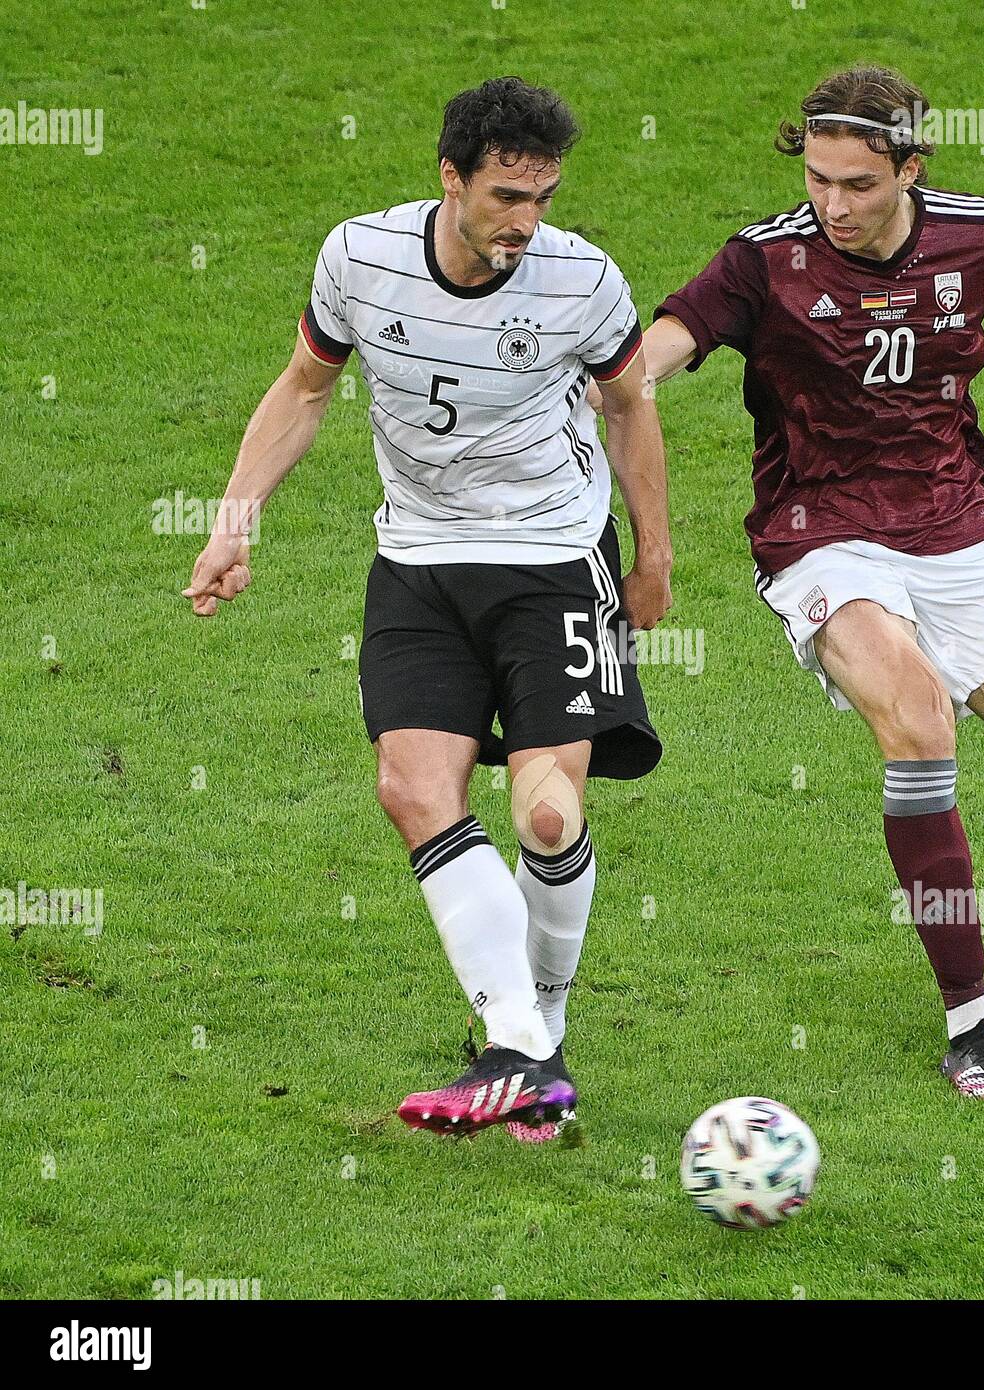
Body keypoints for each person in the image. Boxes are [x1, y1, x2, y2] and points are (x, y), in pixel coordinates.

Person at [608, 64, 984, 1107]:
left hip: (960, 531)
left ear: (908, 167)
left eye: (857, 183)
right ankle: (971, 1020)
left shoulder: (979, 235)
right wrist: (617, 376)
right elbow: (654, 352)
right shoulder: (762, 261)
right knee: (916, 717)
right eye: (816, 179)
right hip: (822, 539)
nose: (833, 205)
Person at [185, 77, 673, 1139]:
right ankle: (517, 1049)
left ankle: (535, 1037)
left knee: (548, 816)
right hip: (418, 558)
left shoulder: (580, 279)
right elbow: (305, 387)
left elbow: (631, 405)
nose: (525, 221)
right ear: (449, 179)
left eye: (541, 196)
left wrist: (654, 556)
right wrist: (235, 520)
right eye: (505, 196)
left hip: (552, 557)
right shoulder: (357, 258)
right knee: (412, 789)